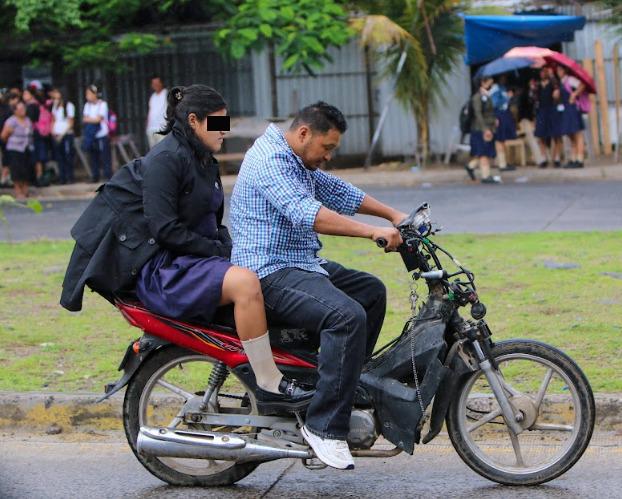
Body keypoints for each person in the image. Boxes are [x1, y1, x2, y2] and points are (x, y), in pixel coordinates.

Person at [61, 84, 313, 413]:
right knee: (245, 283)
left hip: (192, 260)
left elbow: (211, 222)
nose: (225, 132)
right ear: (194, 121)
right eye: (219, 124)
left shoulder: (202, 160)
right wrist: (218, 251)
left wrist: (233, 249)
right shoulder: (165, 159)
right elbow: (164, 229)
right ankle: (268, 382)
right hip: (164, 269)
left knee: (263, 270)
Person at [230, 101, 407, 470]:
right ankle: (324, 427)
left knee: (370, 291)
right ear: (304, 133)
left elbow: (337, 192)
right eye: (327, 148)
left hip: (302, 262)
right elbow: (307, 213)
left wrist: (393, 214)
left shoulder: (298, 159)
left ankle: (337, 384)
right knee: (346, 317)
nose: (328, 156)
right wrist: (373, 231)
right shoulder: (272, 161)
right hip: (269, 269)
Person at [465, 77, 501, 184]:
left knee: (485, 151)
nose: (492, 83)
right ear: (483, 82)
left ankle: (470, 167)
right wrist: (485, 129)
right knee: (483, 153)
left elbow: (489, 112)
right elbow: (478, 114)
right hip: (480, 129)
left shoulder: (486, 96)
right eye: (490, 81)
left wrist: (494, 120)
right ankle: (486, 176)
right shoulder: (477, 97)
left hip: (489, 127)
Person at [553, 65, 586, 169]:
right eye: (557, 70)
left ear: (565, 70)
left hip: (573, 109)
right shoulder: (561, 83)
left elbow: (582, 85)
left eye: (560, 70)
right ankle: (573, 158)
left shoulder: (570, 79)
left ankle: (580, 159)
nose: (559, 72)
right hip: (566, 110)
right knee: (570, 134)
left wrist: (574, 94)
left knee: (577, 134)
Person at [0, 101, 33, 199]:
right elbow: (3, 136)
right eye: (20, 109)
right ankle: (18, 191)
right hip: (14, 149)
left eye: (24, 109)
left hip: (26, 148)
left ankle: (25, 190)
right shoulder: (11, 121)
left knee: (26, 169)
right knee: (16, 170)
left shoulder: (28, 120)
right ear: (15, 111)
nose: (23, 111)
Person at [82, 84, 112, 183]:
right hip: (92, 135)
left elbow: (99, 119)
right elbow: (85, 119)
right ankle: (95, 176)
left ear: (95, 94)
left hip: (102, 134)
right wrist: (93, 119)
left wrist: (91, 119)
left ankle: (108, 175)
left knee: (104, 155)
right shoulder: (87, 105)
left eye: (89, 93)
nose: (87, 96)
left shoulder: (102, 104)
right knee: (93, 156)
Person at [534, 67, 560, 168]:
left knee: (556, 135)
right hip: (541, 111)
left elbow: (557, 90)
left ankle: (556, 157)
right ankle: (544, 158)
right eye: (541, 71)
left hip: (552, 110)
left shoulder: (553, 83)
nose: (542, 73)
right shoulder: (537, 85)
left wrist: (552, 75)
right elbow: (534, 99)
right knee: (541, 136)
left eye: (544, 71)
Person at [490, 75, 517, 172]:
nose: (504, 78)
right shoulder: (495, 89)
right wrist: (507, 98)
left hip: (505, 114)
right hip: (499, 115)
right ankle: (501, 163)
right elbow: (494, 103)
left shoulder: (503, 88)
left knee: (503, 140)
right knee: (499, 139)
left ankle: (504, 162)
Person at [50, 87, 76, 184]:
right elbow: (53, 119)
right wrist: (52, 131)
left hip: (66, 134)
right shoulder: (55, 106)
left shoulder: (69, 106)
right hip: (56, 134)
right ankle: (62, 177)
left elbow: (70, 122)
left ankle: (70, 176)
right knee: (59, 157)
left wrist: (62, 134)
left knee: (67, 156)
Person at [146, 75, 168, 149]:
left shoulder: (167, 94)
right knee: (153, 153)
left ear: (161, 83)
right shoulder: (153, 97)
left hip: (162, 128)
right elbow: (150, 112)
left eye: (157, 83)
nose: (155, 85)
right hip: (151, 129)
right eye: (153, 84)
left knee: (163, 151)